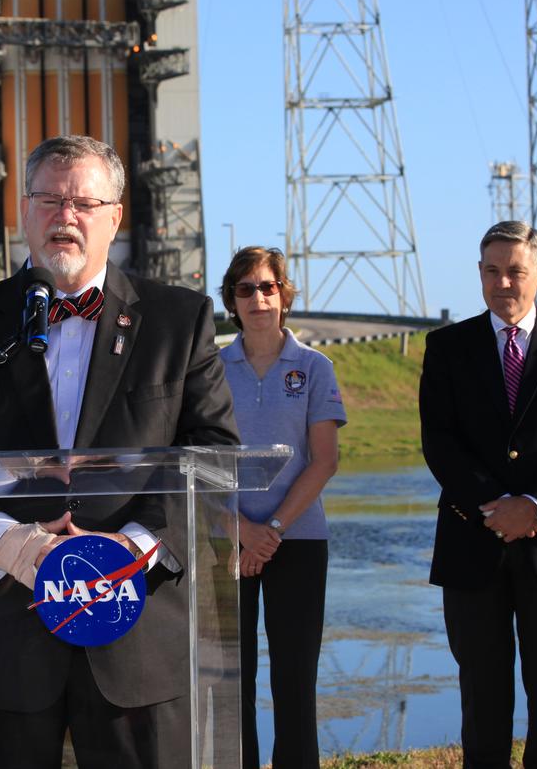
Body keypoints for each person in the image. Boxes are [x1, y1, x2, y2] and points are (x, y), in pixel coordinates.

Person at [0, 135, 239, 769]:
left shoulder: (178, 319)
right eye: (49, 199)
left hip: (138, 631)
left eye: (83, 200)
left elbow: (213, 453)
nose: (65, 216)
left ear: (115, 215)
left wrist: (129, 550)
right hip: (9, 627)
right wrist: (2, 541)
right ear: (23, 212)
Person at [419, 221, 537, 768]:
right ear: (480, 276)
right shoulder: (447, 347)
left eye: (516, 271)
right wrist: (496, 510)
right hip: (471, 542)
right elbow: (440, 440)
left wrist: (533, 508)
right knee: (482, 700)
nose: (504, 282)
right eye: (493, 271)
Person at [218, 246, 345, 768]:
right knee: (232, 679)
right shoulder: (209, 368)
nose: (258, 298)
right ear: (231, 300)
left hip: (298, 540)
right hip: (227, 540)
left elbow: (324, 460)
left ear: (284, 296)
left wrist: (270, 530)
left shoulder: (315, 367)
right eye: (245, 289)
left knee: (295, 677)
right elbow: (193, 464)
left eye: (267, 287)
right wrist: (240, 531)